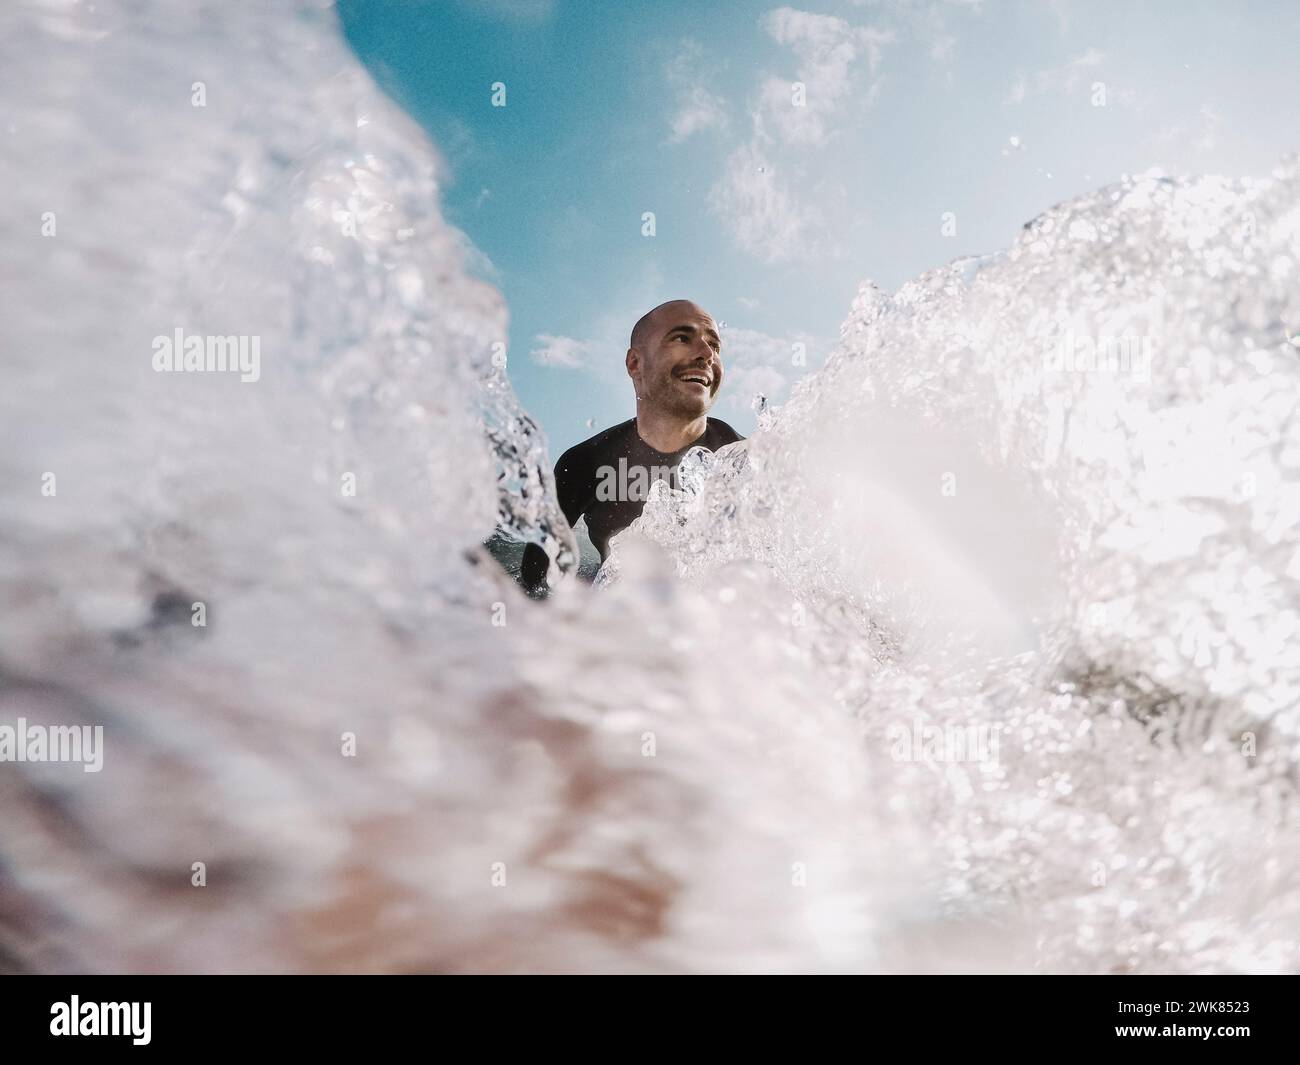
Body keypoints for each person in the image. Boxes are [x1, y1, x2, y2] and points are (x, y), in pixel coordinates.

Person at [520, 299, 743, 595]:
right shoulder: (585, 463)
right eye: (681, 338)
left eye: (714, 346)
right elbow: (533, 587)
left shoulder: (742, 463)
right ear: (635, 364)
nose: (706, 354)